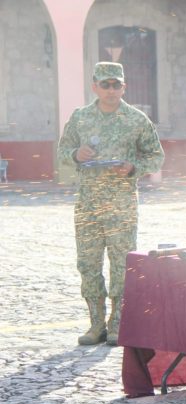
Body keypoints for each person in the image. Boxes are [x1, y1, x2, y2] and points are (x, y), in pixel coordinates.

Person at [57, 61, 164, 346]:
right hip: (88, 203)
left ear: (124, 86)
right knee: (88, 264)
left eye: (116, 84)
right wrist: (76, 154)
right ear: (94, 86)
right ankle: (96, 324)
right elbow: (62, 151)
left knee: (121, 264)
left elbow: (156, 156)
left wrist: (133, 167)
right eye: (105, 84)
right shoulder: (80, 118)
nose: (111, 89)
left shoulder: (137, 119)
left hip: (121, 204)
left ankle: (118, 322)